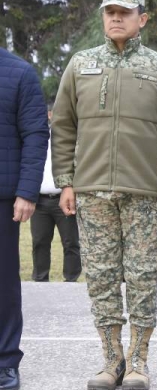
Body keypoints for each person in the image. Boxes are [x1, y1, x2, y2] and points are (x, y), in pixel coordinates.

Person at [52, 0, 157, 390]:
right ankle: (111, 360)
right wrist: (65, 182)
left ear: (142, 19)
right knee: (101, 277)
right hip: (91, 191)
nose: (116, 18)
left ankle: (140, 361)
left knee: (143, 275)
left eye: (125, 12)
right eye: (110, 12)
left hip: (145, 192)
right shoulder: (80, 65)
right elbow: (62, 126)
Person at [0, 47, 49, 390]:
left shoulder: (20, 73)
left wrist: (27, 191)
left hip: (3, 197)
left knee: (2, 283)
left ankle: (5, 362)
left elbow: (35, 134)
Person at [31, 107, 81, 283]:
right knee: (39, 242)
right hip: (40, 200)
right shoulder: (35, 138)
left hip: (63, 198)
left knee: (71, 243)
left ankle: (71, 280)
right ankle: (40, 279)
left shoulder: (69, 139)